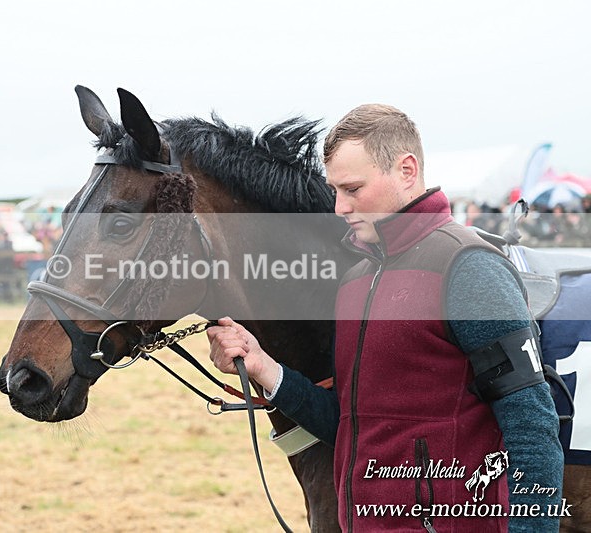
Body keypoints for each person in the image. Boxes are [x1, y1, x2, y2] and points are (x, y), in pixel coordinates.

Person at [208, 104, 563, 532]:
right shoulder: (357, 279)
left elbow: (532, 427)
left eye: (354, 189)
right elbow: (350, 425)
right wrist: (266, 368)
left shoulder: (468, 267)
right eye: (335, 190)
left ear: (407, 170)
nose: (340, 207)